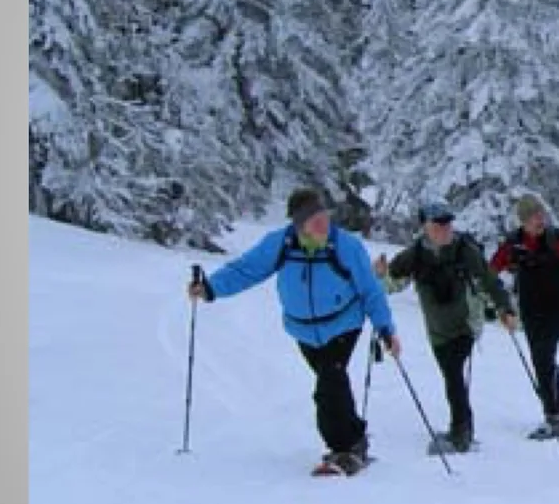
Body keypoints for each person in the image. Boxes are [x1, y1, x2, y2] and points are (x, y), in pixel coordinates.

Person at [189, 186, 399, 475]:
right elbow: (245, 270)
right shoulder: (281, 244)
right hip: (303, 331)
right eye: (315, 220)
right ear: (299, 224)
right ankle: (355, 438)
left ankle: (343, 451)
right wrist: (211, 288)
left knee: (328, 385)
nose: (323, 223)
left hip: (343, 324)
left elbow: (370, 290)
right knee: (333, 383)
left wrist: (386, 329)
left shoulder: (346, 246)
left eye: (325, 215)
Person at [374, 198, 515, 453]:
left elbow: (489, 281)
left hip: (466, 324)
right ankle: (463, 429)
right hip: (437, 329)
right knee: (451, 376)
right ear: (425, 227)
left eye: (447, 224)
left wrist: (505, 309)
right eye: (438, 225)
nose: (444, 229)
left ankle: (460, 434)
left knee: (452, 375)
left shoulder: (465, 251)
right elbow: (393, 285)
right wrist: (381, 275)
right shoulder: (415, 255)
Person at [490, 194, 559, 440]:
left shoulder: (554, 239)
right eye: (533, 217)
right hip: (529, 308)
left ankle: (554, 419)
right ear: (523, 221)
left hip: (557, 307)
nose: (539, 220)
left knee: (542, 357)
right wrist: (497, 300)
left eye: (541, 215)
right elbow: (492, 269)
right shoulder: (514, 243)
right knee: (543, 360)